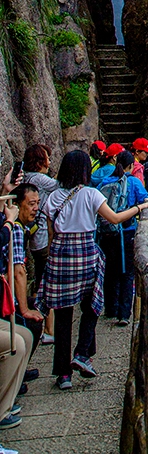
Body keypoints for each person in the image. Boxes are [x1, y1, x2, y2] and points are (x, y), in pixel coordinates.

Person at [35, 150, 148, 390]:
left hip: (59, 255)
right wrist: (140, 208)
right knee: (91, 305)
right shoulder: (91, 194)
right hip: (85, 253)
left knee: (63, 314)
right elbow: (115, 218)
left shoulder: (53, 197)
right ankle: (82, 353)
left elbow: (50, 233)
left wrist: (52, 259)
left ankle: (63, 374)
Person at [97, 150, 147, 326]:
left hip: (107, 232)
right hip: (126, 230)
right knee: (127, 272)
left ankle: (110, 308)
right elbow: (144, 199)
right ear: (131, 165)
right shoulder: (132, 181)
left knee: (110, 270)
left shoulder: (105, 181)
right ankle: (124, 313)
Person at [0, 169, 33, 433]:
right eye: (31, 204)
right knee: (17, 341)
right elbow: (17, 269)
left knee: (23, 336)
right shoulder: (14, 228)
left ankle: (7, 402)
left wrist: (5, 189)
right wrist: (10, 223)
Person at [23, 143, 59, 345]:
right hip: (42, 238)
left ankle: (43, 325)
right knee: (46, 280)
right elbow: (61, 185)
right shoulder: (38, 179)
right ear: (39, 161)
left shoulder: (26, 177)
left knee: (39, 278)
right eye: (47, 158)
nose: (49, 162)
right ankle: (47, 328)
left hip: (33, 236)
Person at [12, 184, 43, 356]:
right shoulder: (15, 229)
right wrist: (24, 310)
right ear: (17, 205)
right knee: (33, 322)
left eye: (37, 203)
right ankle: (19, 371)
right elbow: (19, 272)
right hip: (9, 298)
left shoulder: (21, 227)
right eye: (31, 204)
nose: (36, 208)